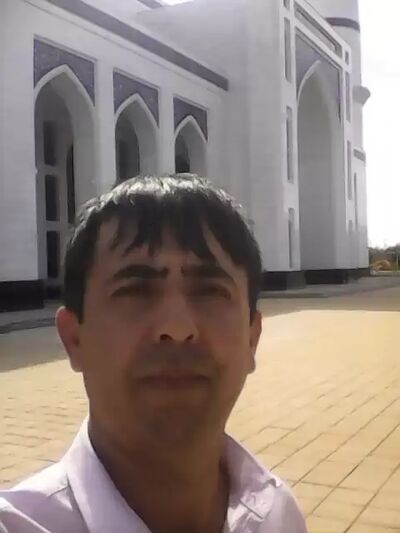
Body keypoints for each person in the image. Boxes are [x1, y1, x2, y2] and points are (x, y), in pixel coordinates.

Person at [0, 175, 307, 533]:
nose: (177, 328)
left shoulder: (276, 515)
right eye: (135, 291)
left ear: (252, 338)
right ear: (74, 339)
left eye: (209, 291)